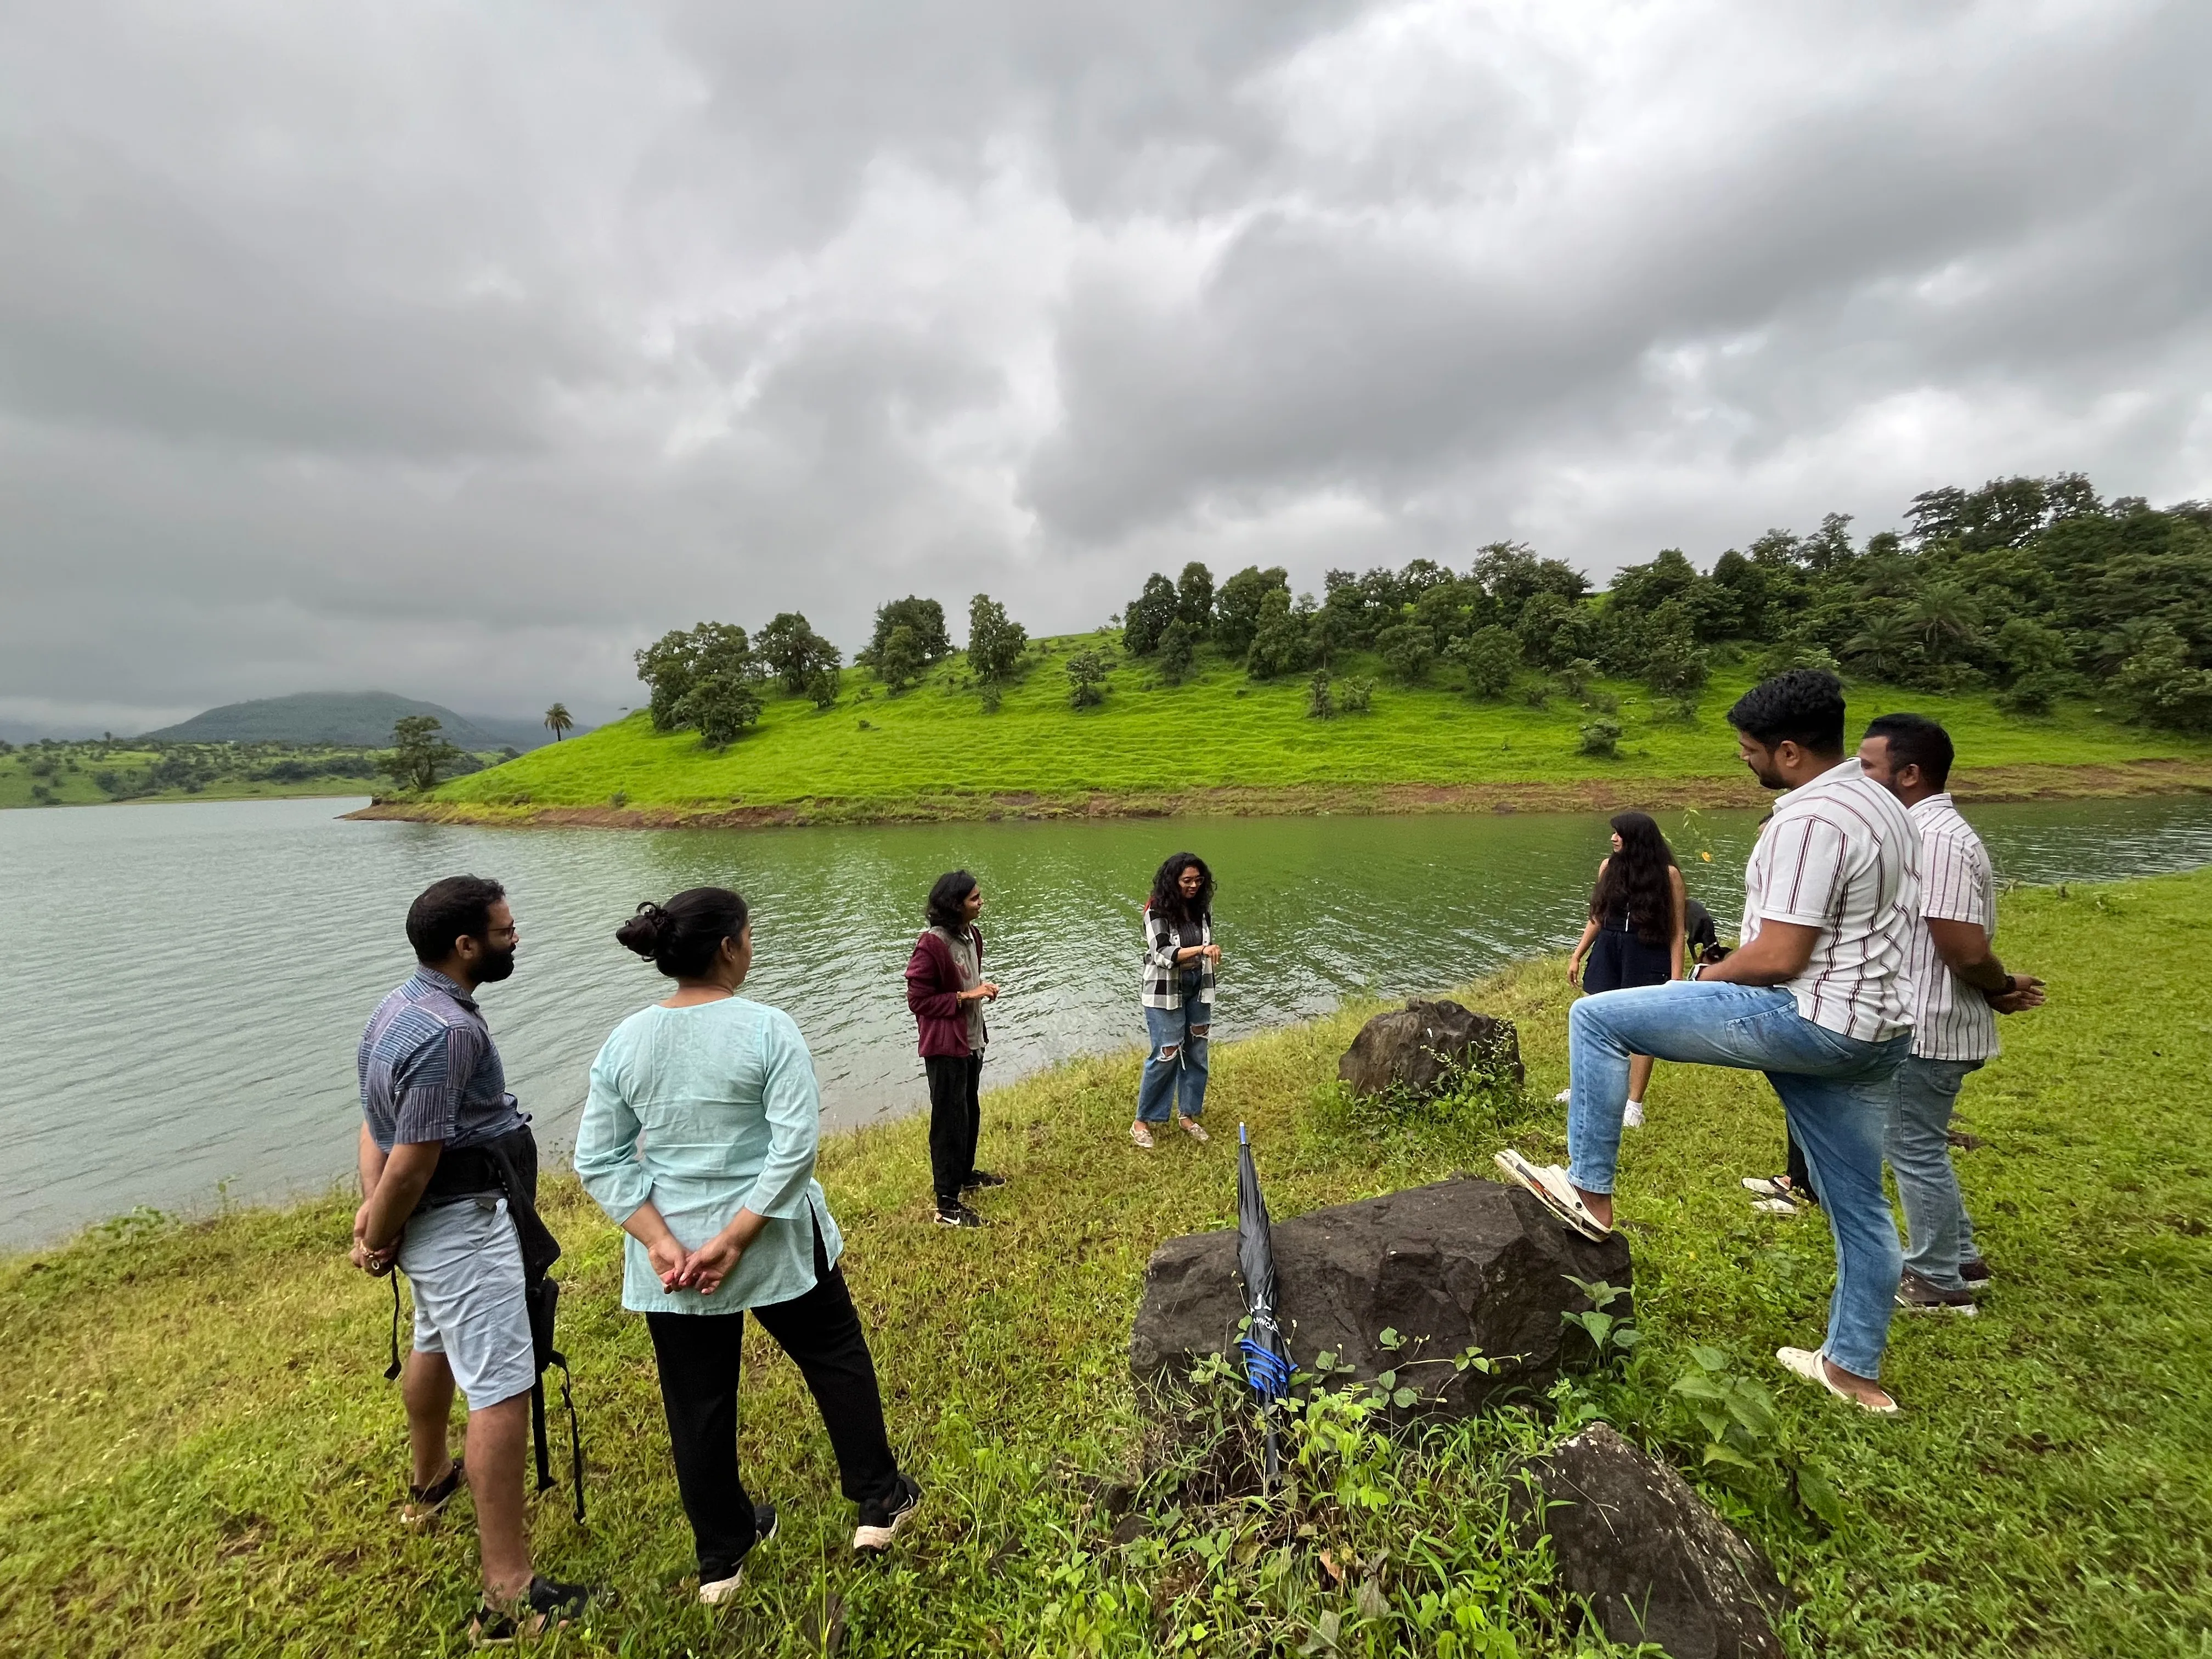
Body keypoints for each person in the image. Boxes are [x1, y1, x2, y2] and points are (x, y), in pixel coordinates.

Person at [1497, 669, 1920, 1413]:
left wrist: (1710, 970)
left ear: (1790, 752)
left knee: (1599, 1018)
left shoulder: (1808, 818)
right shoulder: (1883, 803)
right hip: (1879, 1029)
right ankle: (1853, 1372)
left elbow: (1781, 956)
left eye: (1750, 750)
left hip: (1807, 1017)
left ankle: (1590, 1195)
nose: (1745, 761)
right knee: (1859, 1205)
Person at [574, 888, 922, 1604]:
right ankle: (878, 1502)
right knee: (835, 1360)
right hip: (774, 1243)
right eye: (750, 936)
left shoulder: (627, 1039)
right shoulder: (768, 1028)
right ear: (730, 947)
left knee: (696, 1403)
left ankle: (721, 1561)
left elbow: (599, 1159)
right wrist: (736, 1238)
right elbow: (794, 1148)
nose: (752, 946)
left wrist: (664, 1243)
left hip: (671, 1265)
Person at [351, 876, 592, 1644]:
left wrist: (377, 1213)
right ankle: (510, 1591)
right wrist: (378, 1231)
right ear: (465, 945)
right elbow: (415, 1158)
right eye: (506, 930)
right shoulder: (450, 1032)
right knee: (500, 1386)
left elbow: (374, 1127)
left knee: (434, 1344)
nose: (516, 938)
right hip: (461, 1222)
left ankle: (429, 1480)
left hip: (429, 1226)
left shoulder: (396, 1008)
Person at [1860, 713, 2047, 1314]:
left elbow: (1962, 945)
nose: (1861, 778)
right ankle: (1962, 1255)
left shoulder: (1931, 839)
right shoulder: (1927, 830)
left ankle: (1937, 1281)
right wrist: (1995, 988)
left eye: (1870, 767)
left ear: (1909, 774)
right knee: (1922, 1144)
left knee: (1912, 1148)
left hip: (1927, 1025)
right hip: (1935, 1019)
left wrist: (1998, 984)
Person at [1563, 812, 1688, 1127]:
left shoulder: (1668, 876)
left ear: (1638, 838)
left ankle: (1634, 1104)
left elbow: (1677, 930)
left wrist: (1676, 980)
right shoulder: (1608, 868)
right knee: (1594, 1020)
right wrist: (1578, 954)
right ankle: (1585, 1088)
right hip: (1609, 949)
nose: (1613, 838)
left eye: (1619, 834)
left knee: (1641, 1029)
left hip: (1647, 952)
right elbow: (1597, 917)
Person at [905, 870, 1003, 1228]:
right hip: (945, 1047)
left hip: (972, 1040)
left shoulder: (971, 936)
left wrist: (977, 990)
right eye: (974, 898)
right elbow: (918, 1000)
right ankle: (946, 1205)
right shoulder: (931, 945)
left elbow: (965, 981)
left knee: (968, 1111)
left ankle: (964, 1175)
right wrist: (965, 996)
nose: (981, 902)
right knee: (948, 1121)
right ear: (954, 904)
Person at [1131, 853, 1222, 1149]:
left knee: (1197, 1051)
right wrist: (1202, 951)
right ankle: (1143, 1120)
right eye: (1187, 881)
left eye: (1198, 880)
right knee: (1167, 1053)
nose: (1194, 886)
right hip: (1163, 990)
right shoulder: (1155, 909)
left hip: (1199, 986)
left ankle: (1188, 1115)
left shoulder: (1201, 907)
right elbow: (1162, 953)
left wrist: (1204, 953)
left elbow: (1204, 943)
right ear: (1173, 881)